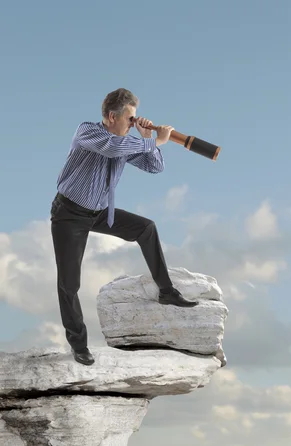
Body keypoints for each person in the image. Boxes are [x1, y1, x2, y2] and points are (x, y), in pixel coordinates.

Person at [50, 88, 198, 367]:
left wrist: (146, 139)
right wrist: (155, 142)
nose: (134, 123)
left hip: (100, 212)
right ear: (110, 116)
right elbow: (112, 148)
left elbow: (154, 168)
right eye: (130, 119)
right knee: (69, 283)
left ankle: (166, 292)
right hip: (69, 214)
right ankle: (78, 344)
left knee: (146, 228)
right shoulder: (88, 132)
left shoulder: (128, 141)